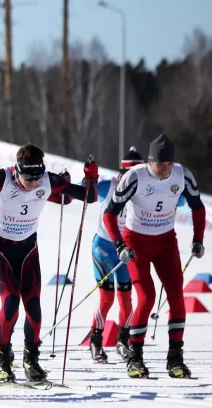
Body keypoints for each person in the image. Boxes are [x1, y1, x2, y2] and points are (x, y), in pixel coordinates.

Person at [0, 144, 98, 383]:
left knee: (34, 308)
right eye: (27, 177)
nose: (32, 183)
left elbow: (88, 197)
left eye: (36, 177)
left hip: (28, 248)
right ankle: (2, 359)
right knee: (9, 301)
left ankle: (31, 360)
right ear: (16, 170)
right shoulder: (2, 179)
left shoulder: (47, 181)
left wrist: (91, 177)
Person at [103, 133, 206, 379]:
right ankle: (135, 356)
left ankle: (175, 358)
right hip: (136, 242)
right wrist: (119, 246)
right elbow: (110, 213)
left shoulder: (182, 175)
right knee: (146, 297)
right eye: (161, 165)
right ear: (150, 162)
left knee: (177, 297)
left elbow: (198, 206)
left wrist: (198, 239)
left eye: (169, 164)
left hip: (165, 243)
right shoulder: (135, 176)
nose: (165, 170)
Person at [88, 147, 144, 363]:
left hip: (126, 250)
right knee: (107, 297)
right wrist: (90, 177)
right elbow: (88, 190)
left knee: (126, 299)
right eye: (126, 174)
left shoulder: (142, 191)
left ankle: (122, 341)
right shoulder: (111, 185)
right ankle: (95, 342)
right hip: (103, 247)